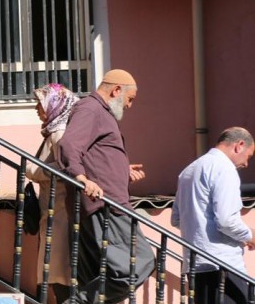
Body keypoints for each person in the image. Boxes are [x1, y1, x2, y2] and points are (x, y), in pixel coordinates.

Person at [57, 69, 154, 303]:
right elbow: (69, 145)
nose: (130, 105)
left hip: (101, 204)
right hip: (105, 206)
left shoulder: (98, 112)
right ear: (116, 90)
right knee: (140, 263)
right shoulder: (91, 109)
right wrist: (81, 178)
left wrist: (121, 169)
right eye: (130, 99)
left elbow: (95, 154)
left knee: (97, 276)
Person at [172, 127, 255, 304]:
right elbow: (226, 221)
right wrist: (250, 235)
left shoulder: (189, 170)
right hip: (222, 264)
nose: (246, 164)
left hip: (196, 264)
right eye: (248, 157)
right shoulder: (224, 168)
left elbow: (177, 219)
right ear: (239, 145)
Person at [25, 83, 79, 304]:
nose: (37, 109)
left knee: (59, 272)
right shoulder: (55, 130)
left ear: (55, 104)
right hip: (54, 210)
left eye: (40, 103)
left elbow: (67, 168)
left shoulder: (59, 133)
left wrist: (33, 170)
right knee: (58, 272)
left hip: (60, 211)